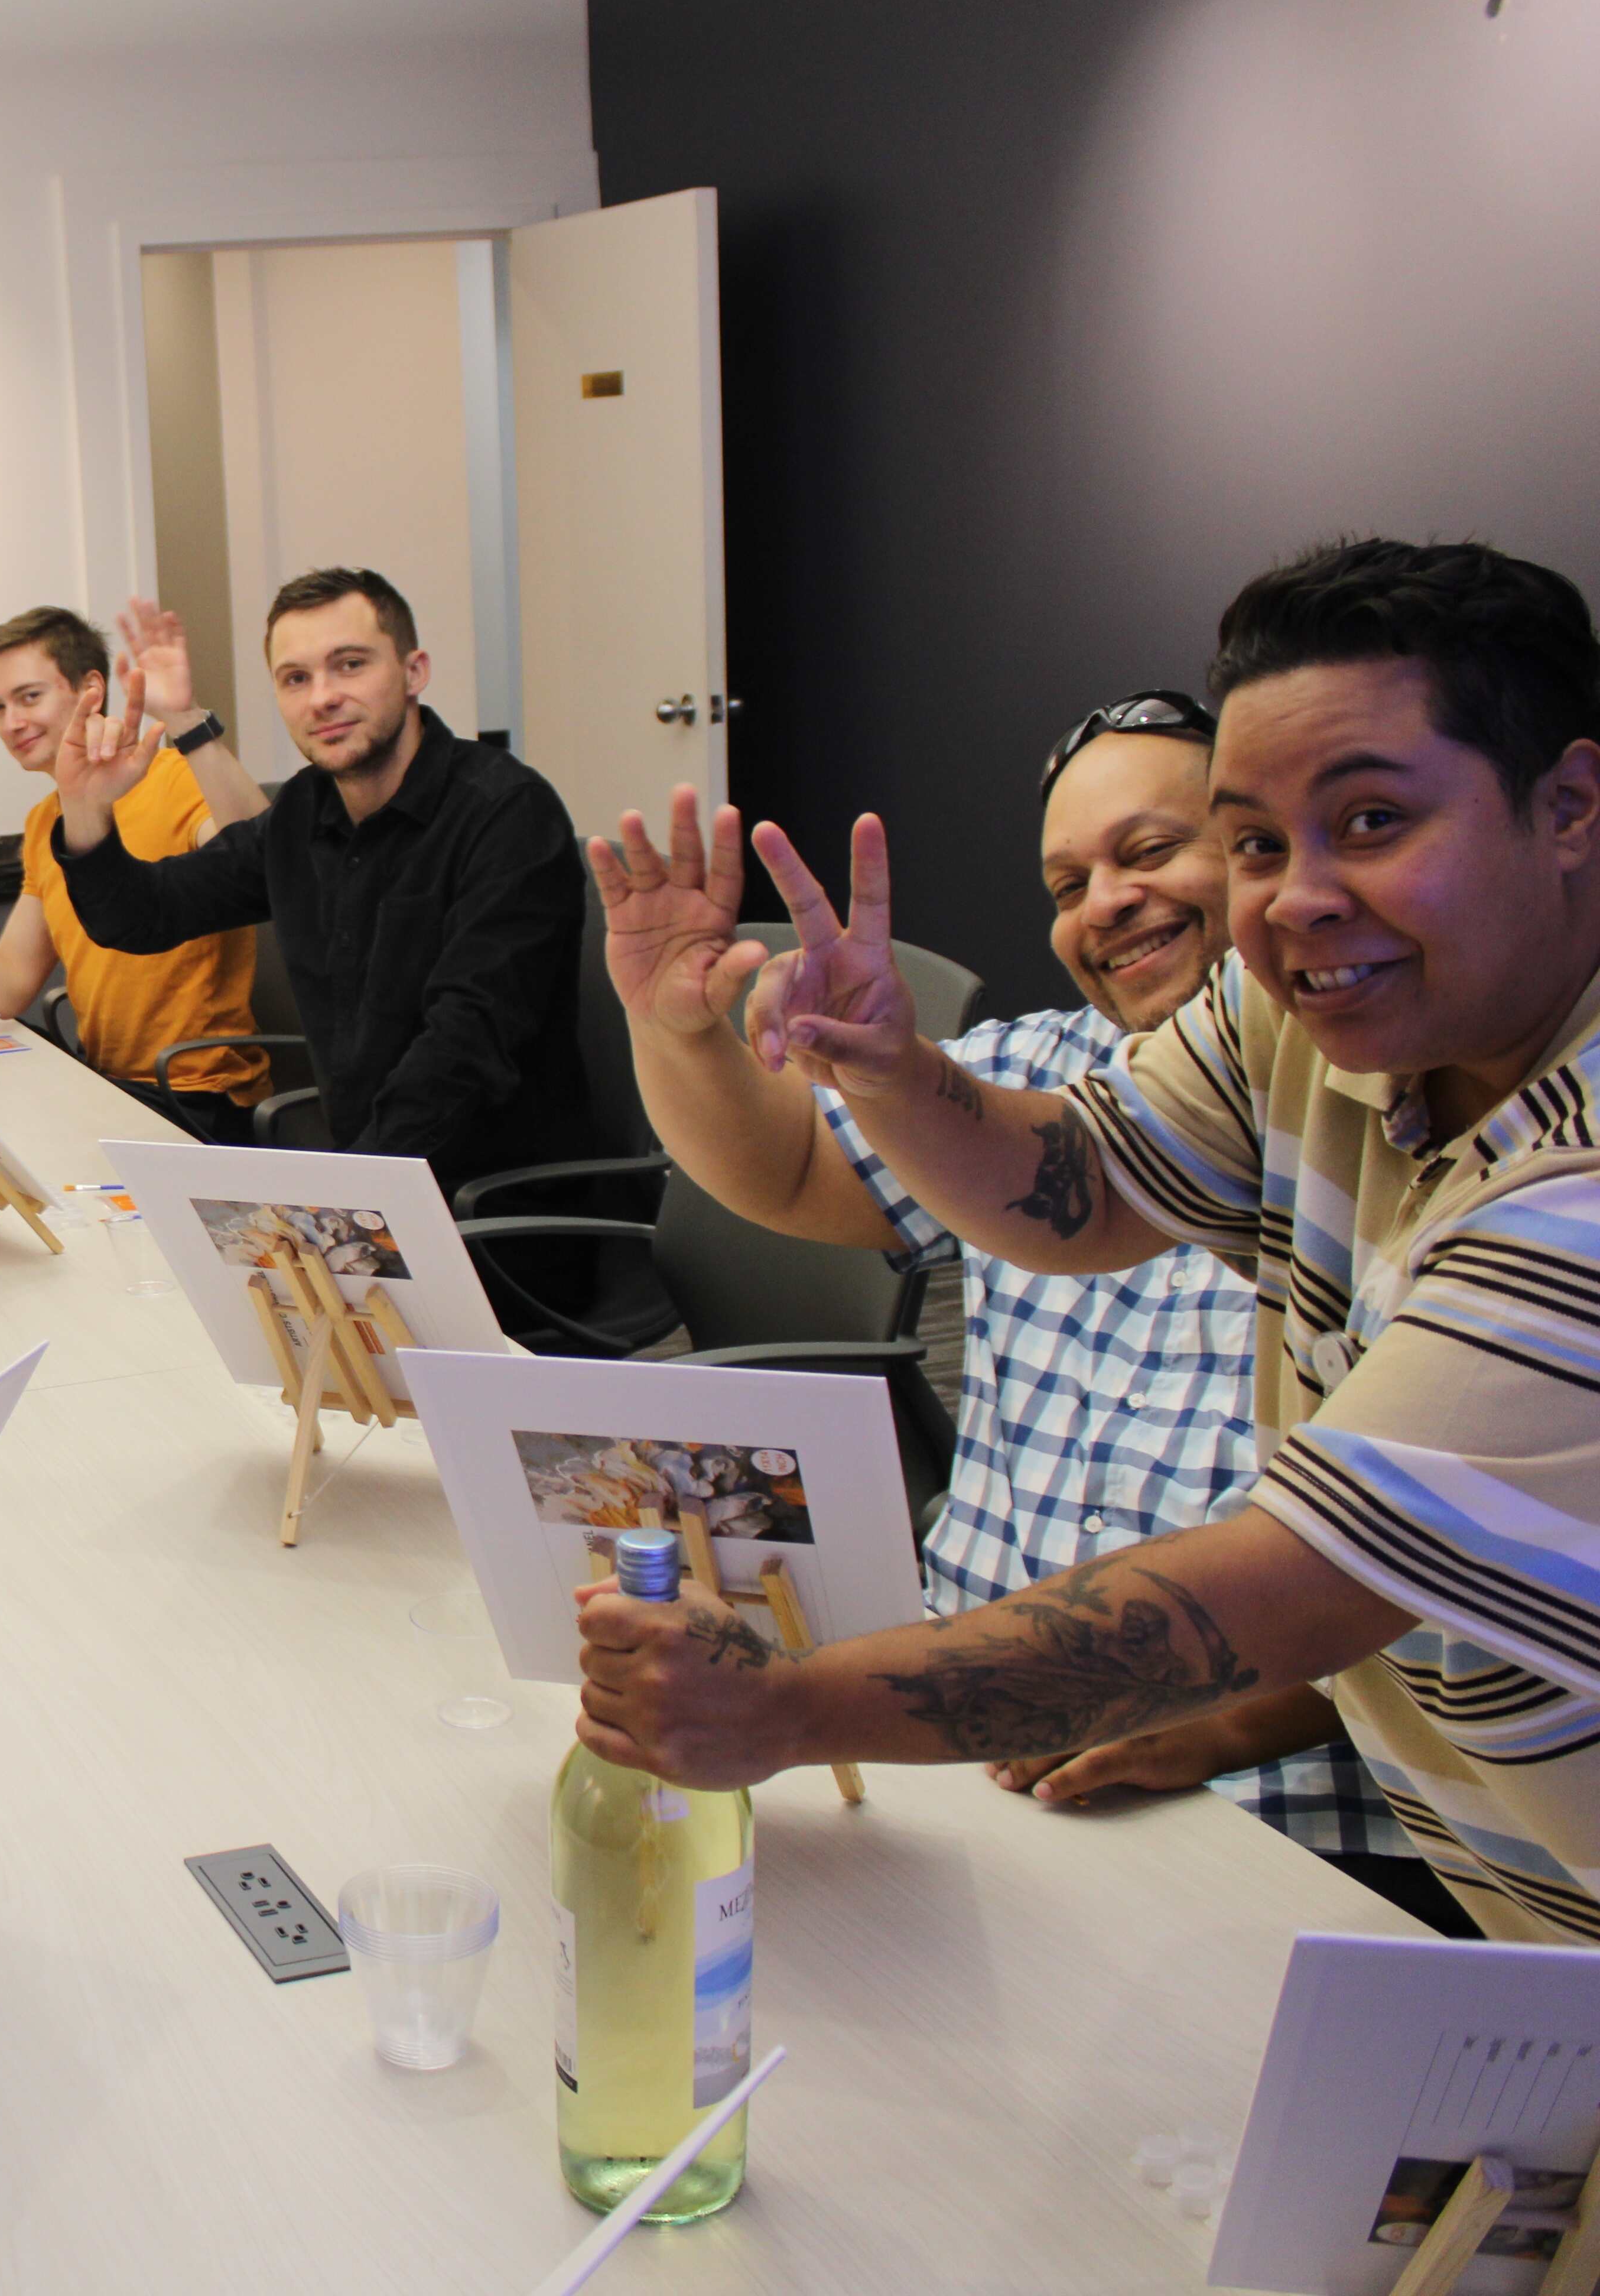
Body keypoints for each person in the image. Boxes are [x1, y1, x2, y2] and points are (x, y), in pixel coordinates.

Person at [577, 538, 1600, 1947]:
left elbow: (1286, 1590)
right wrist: (886, 1065)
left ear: (1570, 808)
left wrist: (790, 1705)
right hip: (1481, 1890)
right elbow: (1081, 1184)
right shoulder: (1292, 1015)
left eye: (1370, 822)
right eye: (1257, 841)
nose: (1296, 895)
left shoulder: (1575, 1189)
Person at [50, 565, 594, 1196]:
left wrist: (340, 1202)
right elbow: (141, 916)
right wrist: (85, 806)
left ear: (414, 671)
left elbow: (464, 1049)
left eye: (351, 665)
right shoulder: (305, 812)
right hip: (370, 1189)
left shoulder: (507, 811)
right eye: (296, 679)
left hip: (496, 1213)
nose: (322, 697)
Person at [0, 599, 272, 1141]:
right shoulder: (48, 820)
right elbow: (10, 982)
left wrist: (188, 722)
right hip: (109, 1086)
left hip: (197, 1096)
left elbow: (265, 858)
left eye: (28, 698)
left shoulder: (173, 776)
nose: (11, 723)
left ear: (91, 688)